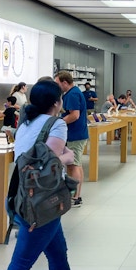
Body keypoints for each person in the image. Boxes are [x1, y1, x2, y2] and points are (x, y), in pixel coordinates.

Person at [0, 80, 104, 270]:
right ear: (57, 102)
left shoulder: (26, 122)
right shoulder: (57, 124)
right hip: (41, 204)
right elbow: (50, 163)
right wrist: (67, 158)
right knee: (21, 264)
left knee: (57, 253)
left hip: (25, 197)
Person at [55, 71, 87, 208]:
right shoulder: (73, 93)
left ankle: (75, 197)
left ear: (64, 82)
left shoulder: (73, 94)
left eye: (57, 83)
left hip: (75, 134)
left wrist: (59, 122)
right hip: (77, 134)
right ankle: (75, 194)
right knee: (75, 164)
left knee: (74, 165)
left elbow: (74, 115)